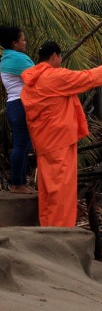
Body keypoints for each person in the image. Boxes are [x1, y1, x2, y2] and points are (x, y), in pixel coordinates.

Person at [21, 41, 102, 227]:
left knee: (48, 188)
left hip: (44, 141)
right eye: (60, 57)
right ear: (54, 56)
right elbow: (83, 78)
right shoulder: (53, 77)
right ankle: (60, 229)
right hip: (58, 140)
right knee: (61, 189)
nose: (61, 61)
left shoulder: (31, 80)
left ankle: (48, 225)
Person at [0, 26, 36, 194]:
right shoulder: (17, 59)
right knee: (21, 145)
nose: (25, 42)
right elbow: (38, 77)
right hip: (19, 104)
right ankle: (17, 183)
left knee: (25, 144)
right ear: (14, 43)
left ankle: (21, 182)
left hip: (17, 104)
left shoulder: (9, 58)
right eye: (22, 39)